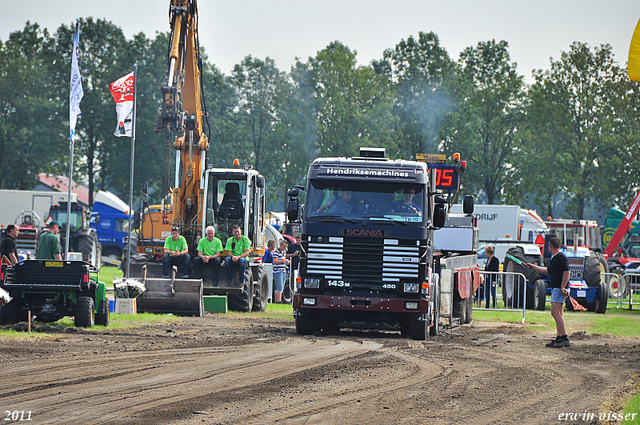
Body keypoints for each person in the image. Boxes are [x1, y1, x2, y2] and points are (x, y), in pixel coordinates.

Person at [525, 237, 571, 348]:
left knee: (554, 313)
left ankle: (565, 338)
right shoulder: (555, 258)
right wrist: (533, 267)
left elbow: (567, 272)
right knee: (559, 313)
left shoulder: (560, 257)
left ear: (550, 246)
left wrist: (562, 286)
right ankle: (559, 338)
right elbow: (547, 271)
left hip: (558, 289)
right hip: (558, 288)